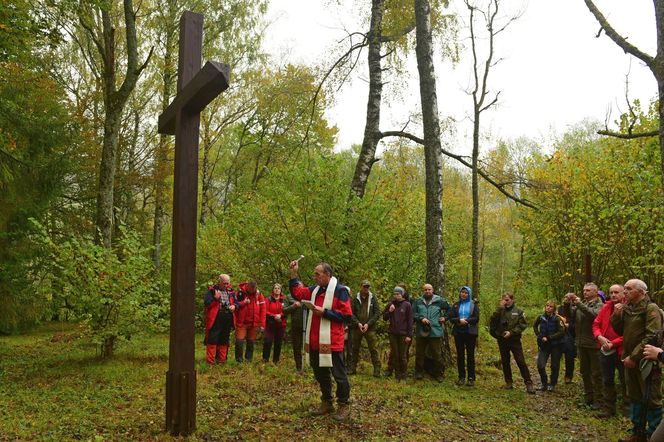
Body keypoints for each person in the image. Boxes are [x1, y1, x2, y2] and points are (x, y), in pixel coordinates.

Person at [288, 260, 353, 422]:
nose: (314, 276)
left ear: (327, 275)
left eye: (317, 274)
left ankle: (343, 404)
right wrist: (294, 273)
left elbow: (347, 316)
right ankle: (327, 402)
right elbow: (298, 293)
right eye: (314, 273)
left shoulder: (340, 291)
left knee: (339, 374)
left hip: (333, 341)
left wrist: (324, 312)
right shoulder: (315, 290)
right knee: (320, 373)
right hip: (316, 340)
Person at [612, 279, 663, 441]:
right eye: (624, 288)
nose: (624, 292)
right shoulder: (628, 308)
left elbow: (652, 336)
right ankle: (637, 433)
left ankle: (653, 435)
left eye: (628, 289)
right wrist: (617, 315)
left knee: (651, 399)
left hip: (646, 361)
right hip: (629, 360)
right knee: (635, 396)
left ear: (641, 292)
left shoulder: (651, 309)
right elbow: (620, 331)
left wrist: (634, 356)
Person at [489, 292, 535, 394]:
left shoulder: (518, 311)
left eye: (507, 299)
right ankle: (508, 382)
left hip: (514, 340)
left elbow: (522, 325)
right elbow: (492, 321)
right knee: (505, 361)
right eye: (504, 299)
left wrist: (512, 332)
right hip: (502, 340)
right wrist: (499, 308)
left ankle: (528, 383)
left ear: (512, 300)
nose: (505, 301)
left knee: (520, 361)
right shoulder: (499, 311)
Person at [592, 284, 626, 417]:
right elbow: (596, 323)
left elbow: (631, 333)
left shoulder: (628, 308)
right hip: (605, 349)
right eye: (611, 292)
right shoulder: (606, 306)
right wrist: (599, 336)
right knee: (607, 379)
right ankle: (608, 409)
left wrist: (613, 343)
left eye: (616, 292)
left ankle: (627, 410)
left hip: (621, 350)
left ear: (623, 294)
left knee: (625, 381)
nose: (613, 295)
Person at [571, 283, 604, 409]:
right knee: (584, 372)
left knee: (596, 373)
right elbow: (571, 316)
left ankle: (599, 400)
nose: (585, 292)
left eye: (588, 290)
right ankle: (588, 398)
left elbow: (594, 316)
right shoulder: (582, 303)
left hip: (593, 344)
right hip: (581, 343)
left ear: (595, 292)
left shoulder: (600, 305)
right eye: (584, 290)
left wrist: (580, 304)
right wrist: (568, 303)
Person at [413, 283, 448, 382]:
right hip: (421, 330)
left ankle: (439, 373)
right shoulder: (418, 301)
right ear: (423, 291)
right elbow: (413, 313)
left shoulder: (439, 301)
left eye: (429, 289)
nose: (427, 291)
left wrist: (445, 318)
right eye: (425, 290)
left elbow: (450, 310)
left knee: (436, 354)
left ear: (432, 290)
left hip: (435, 331)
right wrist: (421, 318)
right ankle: (419, 372)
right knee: (420, 353)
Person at [349, 280, 382, 377]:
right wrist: (358, 323)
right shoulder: (355, 298)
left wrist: (368, 324)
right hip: (357, 327)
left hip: (370, 328)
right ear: (360, 286)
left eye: (367, 287)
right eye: (364, 286)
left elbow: (377, 313)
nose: (366, 288)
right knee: (354, 348)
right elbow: (351, 313)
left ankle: (377, 370)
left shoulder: (373, 298)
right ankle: (352, 368)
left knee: (373, 349)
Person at [449, 286, 480, 387]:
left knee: (470, 355)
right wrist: (459, 320)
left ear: (469, 294)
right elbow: (451, 317)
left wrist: (466, 321)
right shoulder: (456, 305)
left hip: (470, 332)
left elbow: (476, 318)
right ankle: (461, 377)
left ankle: (471, 378)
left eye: (466, 293)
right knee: (460, 355)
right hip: (458, 332)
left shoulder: (473, 304)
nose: (464, 294)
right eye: (462, 292)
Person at [204, 274, 237, 365]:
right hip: (216, 317)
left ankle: (222, 360)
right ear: (220, 282)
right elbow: (206, 303)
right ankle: (210, 362)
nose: (226, 285)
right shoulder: (212, 291)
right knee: (213, 339)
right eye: (224, 283)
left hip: (227, 317)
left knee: (224, 339)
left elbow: (236, 303)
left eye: (228, 283)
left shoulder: (231, 292)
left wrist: (234, 306)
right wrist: (215, 298)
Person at [533, 300, 565, 392]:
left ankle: (552, 384)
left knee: (554, 365)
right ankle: (544, 383)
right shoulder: (540, 317)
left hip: (556, 345)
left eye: (551, 306)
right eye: (547, 306)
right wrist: (539, 335)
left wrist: (549, 337)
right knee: (540, 365)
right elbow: (535, 326)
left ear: (554, 308)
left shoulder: (557, 318)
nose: (548, 308)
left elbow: (561, 332)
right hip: (544, 345)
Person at [383, 286, 413, 381]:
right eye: (395, 294)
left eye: (398, 294)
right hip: (392, 333)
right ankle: (397, 375)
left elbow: (410, 321)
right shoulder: (390, 304)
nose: (396, 296)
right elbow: (384, 317)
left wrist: (409, 335)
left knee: (402, 355)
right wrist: (390, 311)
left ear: (402, 294)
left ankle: (404, 375)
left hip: (403, 333)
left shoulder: (407, 305)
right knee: (395, 355)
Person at [234, 281, 266, 363]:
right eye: (251, 290)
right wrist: (244, 303)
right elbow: (235, 305)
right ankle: (239, 361)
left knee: (251, 342)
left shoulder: (259, 295)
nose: (252, 291)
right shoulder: (240, 293)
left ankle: (249, 360)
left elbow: (263, 310)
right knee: (239, 342)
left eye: (254, 290)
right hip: (242, 322)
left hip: (254, 323)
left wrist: (262, 324)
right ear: (247, 287)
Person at [263, 283, 288, 363]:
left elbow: (287, 310)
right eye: (275, 288)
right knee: (268, 342)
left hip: (281, 324)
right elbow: (265, 311)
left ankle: (276, 360)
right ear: (273, 290)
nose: (277, 290)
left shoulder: (284, 300)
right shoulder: (268, 299)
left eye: (278, 288)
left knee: (278, 343)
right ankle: (265, 359)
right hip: (270, 324)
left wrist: (280, 315)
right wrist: (274, 316)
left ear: (281, 291)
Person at [558, 293, 577, 384]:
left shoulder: (576, 308)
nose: (566, 299)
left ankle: (568, 376)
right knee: (556, 356)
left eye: (568, 298)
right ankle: (554, 376)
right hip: (559, 335)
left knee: (569, 357)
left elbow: (578, 323)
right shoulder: (559, 308)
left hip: (570, 335)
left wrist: (569, 326)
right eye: (565, 297)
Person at [285, 290, 305, 372]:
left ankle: (311, 366)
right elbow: (284, 310)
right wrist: (293, 306)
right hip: (296, 326)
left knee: (310, 347)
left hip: (308, 325)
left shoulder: (308, 296)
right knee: (297, 347)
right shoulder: (289, 297)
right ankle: (299, 367)